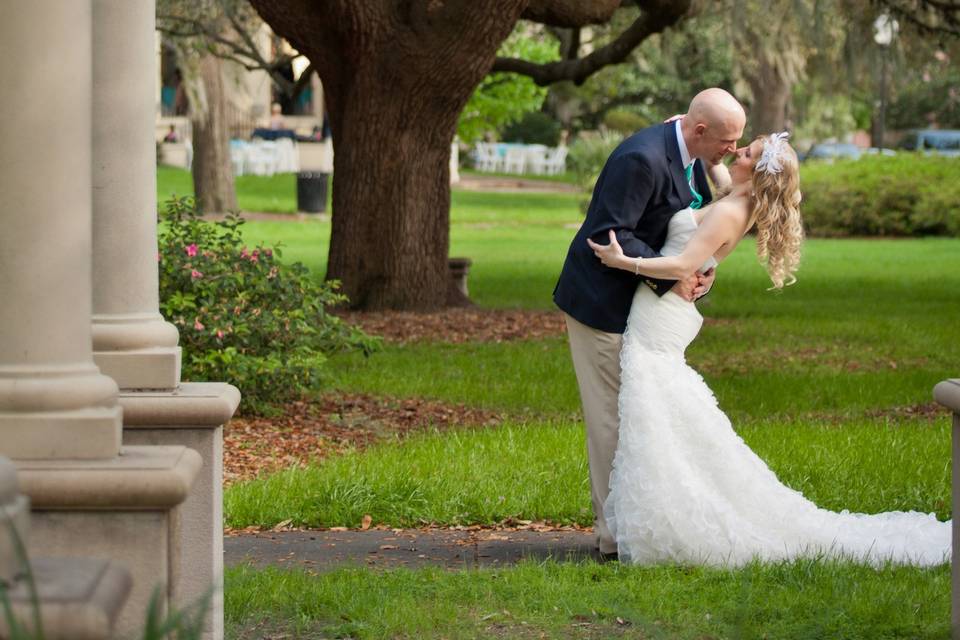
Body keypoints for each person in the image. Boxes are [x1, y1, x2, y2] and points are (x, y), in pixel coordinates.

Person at [587, 132, 950, 566]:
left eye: (748, 152)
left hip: (662, 316)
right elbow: (715, 179)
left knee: (658, 404)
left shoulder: (730, 211)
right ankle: (660, 510)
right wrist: (682, 128)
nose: (737, 152)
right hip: (663, 311)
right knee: (662, 408)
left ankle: (674, 516)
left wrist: (623, 261)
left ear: (756, 172)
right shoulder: (738, 198)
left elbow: (684, 266)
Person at [553, 88, 746, 559]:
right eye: (728, 140)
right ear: (700, 130)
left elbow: (681, 230)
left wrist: (695, 272)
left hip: (639, 307)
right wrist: (675, 276)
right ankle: (613, 535)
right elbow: (608, 235)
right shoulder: (641, 159)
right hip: (602, 305)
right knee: (610, 421)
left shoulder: (688, 151)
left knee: (634, 415)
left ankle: (632, 524)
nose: (733, 150)